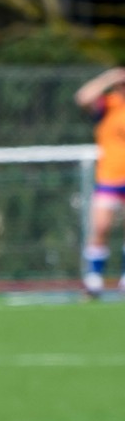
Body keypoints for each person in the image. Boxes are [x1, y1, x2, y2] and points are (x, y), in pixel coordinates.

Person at [75, 66, 125, 295]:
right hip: (109, 177)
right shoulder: (108, 105)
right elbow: (82, 98)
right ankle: (94, 279)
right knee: (101, 227)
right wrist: (108, 77)